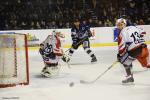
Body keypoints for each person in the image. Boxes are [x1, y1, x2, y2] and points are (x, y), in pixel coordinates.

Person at [116, 18, 150, 83]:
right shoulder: (133, 27)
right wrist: (137, 39)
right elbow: (143, 32)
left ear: (124, 24)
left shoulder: (121, 33)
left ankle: (129, 78)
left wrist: (120, 56)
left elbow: (121, 47)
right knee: (146, 65)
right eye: (118, 25)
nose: (119, 26)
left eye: (120, 25)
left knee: (124, 61)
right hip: (144, 48)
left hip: (135, 50)